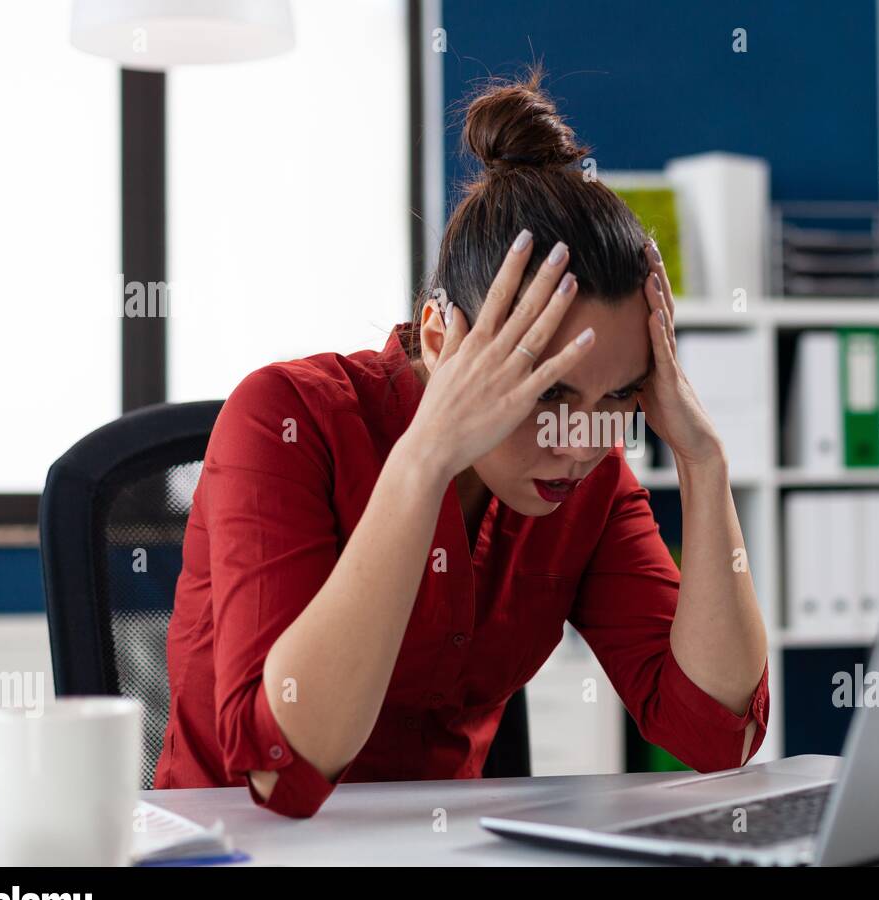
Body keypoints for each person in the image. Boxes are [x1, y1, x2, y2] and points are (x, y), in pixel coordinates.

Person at [153, 68, 770, 818]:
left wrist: (704, 459)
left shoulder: (592, 474)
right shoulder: (282, 419)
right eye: (545, 391)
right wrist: (424, 459)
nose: (579, 441)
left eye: (618, 395)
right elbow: (285, 773)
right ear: (441, 338)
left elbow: (717, 733)